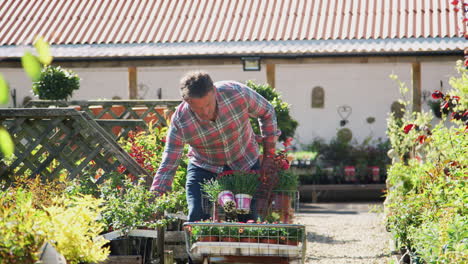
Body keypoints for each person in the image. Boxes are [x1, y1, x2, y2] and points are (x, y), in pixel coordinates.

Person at [150, 71, 279, 222]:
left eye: (208, 104)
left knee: (247, 218)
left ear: (214, 91)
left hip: (244, 161)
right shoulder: (181, 120)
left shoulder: (237, 93)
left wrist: (269, 156)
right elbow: (169, 160)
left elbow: (267, 111)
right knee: (198, 216)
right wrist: (155, 195)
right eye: (198, 108)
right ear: (186, 101)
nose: (205, 112)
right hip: (205, 166)